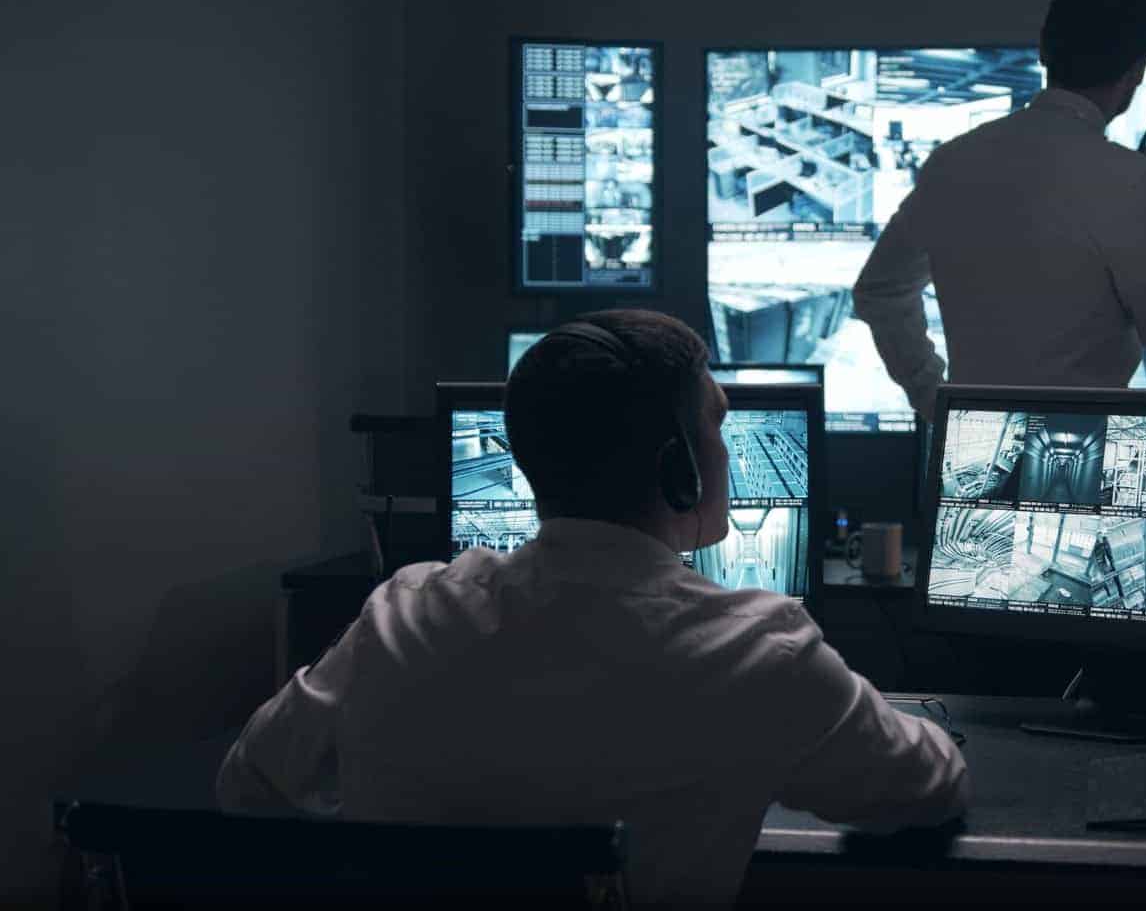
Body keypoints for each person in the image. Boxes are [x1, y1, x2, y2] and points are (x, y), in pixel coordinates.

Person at [216, 309, 969, 906]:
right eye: (716, 425)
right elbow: (928, 789)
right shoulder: (761, 651)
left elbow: (249, 783)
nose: (728, 453)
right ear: (678, 468)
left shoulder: (400, 617)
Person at [852, 0, 1146, 422]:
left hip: (968, 445)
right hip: (1080, 447)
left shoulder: (952, 162)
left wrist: (931, 394)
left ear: (1042, 48)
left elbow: (879, 292)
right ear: (1140, 67)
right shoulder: (1128, 180)